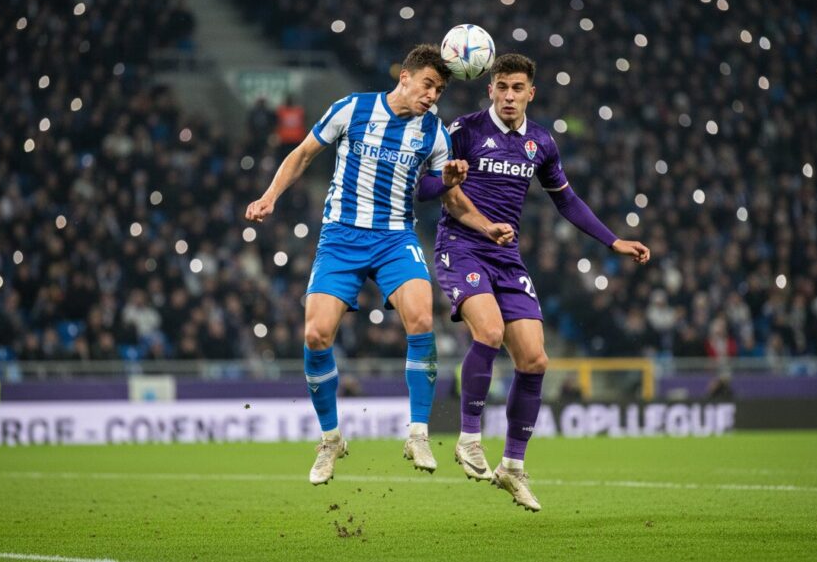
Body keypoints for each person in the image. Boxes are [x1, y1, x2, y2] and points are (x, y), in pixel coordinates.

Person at [244, 44, 513, 485]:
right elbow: (304, 154)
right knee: (315, 333)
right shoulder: (353, 108)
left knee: (422, 316)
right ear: (404, 78)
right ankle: (331, 439)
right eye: (428, 84)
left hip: (395, 238)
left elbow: (445, 196)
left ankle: (418, 433)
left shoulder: (435, 133)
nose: (432, 96)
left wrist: (484, 224)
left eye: (440, 90)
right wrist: (269, 196)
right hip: (342, 237)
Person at [418, 53, 651, 511]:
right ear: (490, 90)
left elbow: (567, 202)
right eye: (501, 87)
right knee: (488, 331)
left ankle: (513, 466)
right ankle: (468, 438)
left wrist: (612, 241)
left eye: (517, 88)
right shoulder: (463, 132)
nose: (508, 96)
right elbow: (424, 189)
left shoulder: (541, 143)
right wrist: (445, 179)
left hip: (506, 256)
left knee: (536, 360)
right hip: (460, 247)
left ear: (531, 93)